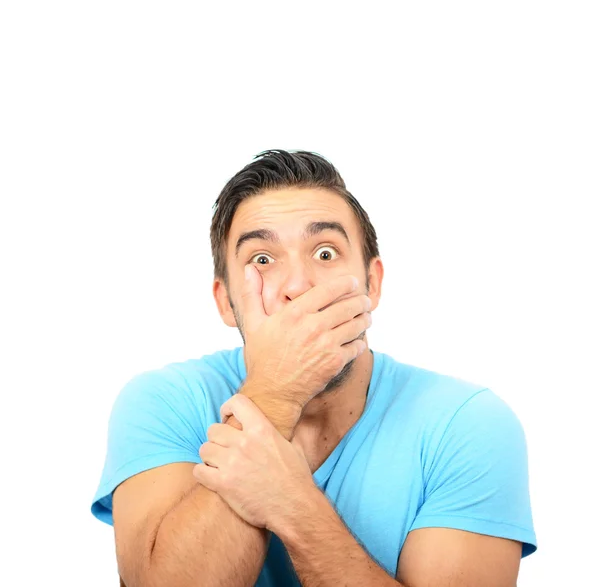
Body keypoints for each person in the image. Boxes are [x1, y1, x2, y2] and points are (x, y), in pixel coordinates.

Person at [91, 149, 537, 587]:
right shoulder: (162, 402)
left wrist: (292, 505)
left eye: (325, 253)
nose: (298, 286)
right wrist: (275, 394)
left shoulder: (469, 424)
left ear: (373, 283)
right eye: (261, 260)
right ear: (226, 301)